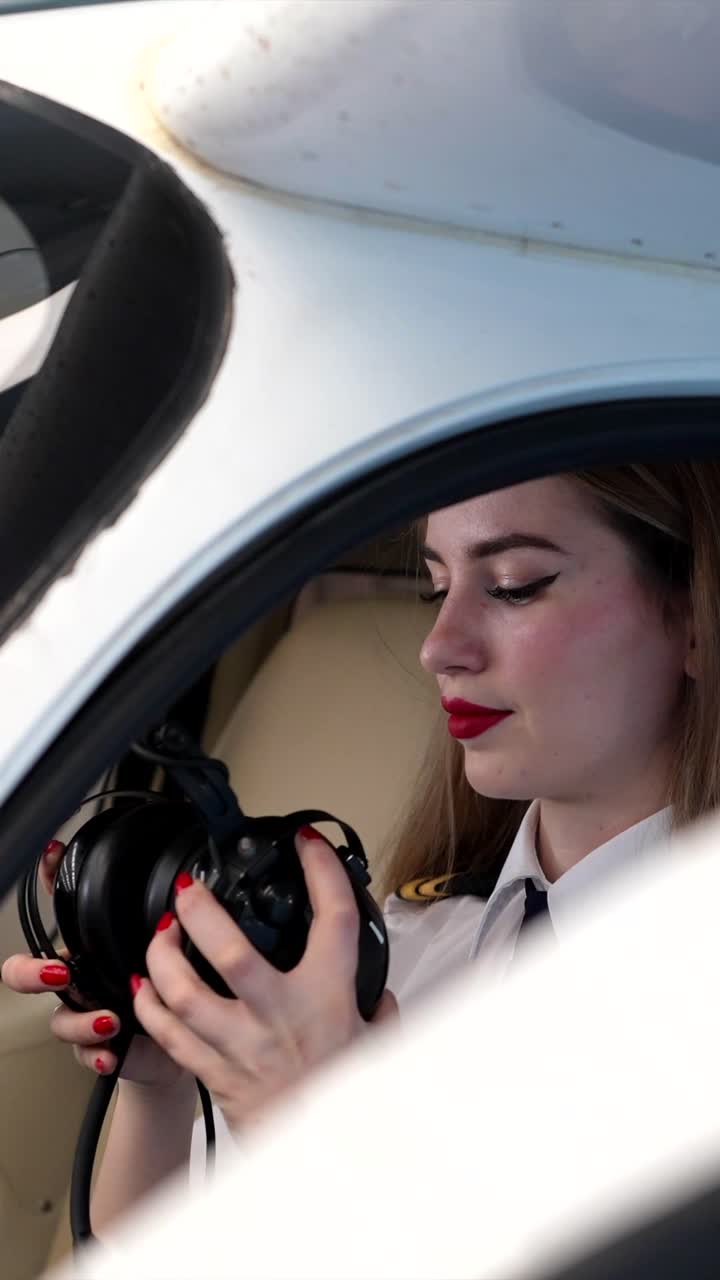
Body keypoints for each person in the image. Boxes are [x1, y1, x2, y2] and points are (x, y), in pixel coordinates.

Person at [3, 460, 720, 1234]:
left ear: (694, 617)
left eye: (514, 585)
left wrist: (324, 1139)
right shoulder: (395, 946)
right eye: (436, 588)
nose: (440, 647)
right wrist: (166, 1083)